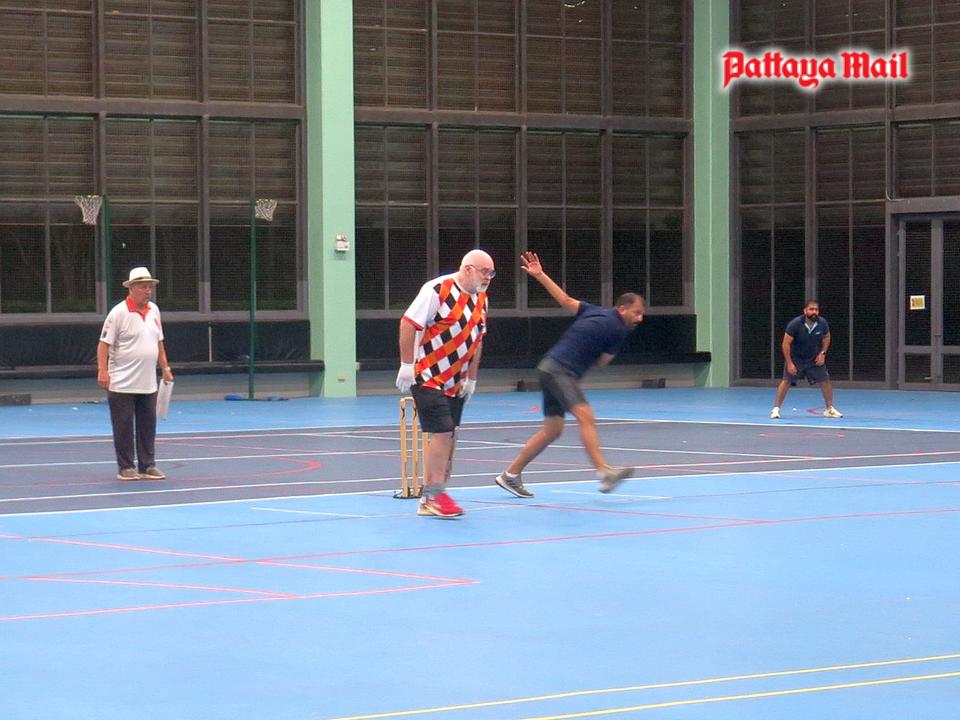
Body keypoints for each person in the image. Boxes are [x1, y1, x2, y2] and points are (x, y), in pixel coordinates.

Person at [494, 251, 645, 498]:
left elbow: (564, 300)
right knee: (586, 416)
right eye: (636, 312)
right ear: (622, 309)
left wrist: (540, 275)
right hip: (560, 371)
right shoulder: (619, 330)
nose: (640, 318)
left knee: (553, 430)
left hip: (547, 367)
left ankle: (510, 475)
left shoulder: (594, 311)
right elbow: (602, 362)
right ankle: (604, 471)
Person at [396, 249, 493, 518]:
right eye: (485, 272)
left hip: (455, 381)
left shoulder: (482, 298)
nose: (488, 278)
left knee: (450, 436)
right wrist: (407, 365)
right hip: (427, 375)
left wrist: (471, 378)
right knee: (442, 431)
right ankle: (433, 496)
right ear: (468, 269)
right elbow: (408, 324)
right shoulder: (437, 290)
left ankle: (434, 495)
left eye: (491, 273)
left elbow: (477, 339)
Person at [97, 267, 175, 480]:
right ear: (131, 288)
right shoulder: (118, 313)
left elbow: (159, 342)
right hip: (121, 381)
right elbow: (103, 344)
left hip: (148, 382)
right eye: (143, 287)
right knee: (123, 426)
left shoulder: (154, 311)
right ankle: (125, 467)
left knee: (148, 425)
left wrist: (165, 368)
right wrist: (103, 371)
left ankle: (147, 465)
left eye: (150, 287)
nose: (148, 291)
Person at [769, 299, 842, 419]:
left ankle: (830, 409)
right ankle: (776, 409)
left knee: (825, 381)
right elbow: (785, 344)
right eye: (811, 309)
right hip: (796, 358)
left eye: (816, 310)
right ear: (805, 311)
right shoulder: (795, 324)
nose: (814, 312)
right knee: (786, 381)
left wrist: (822, 354)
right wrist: (789, 363)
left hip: (814, 358)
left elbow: (827, 337)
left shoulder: (822, 323)